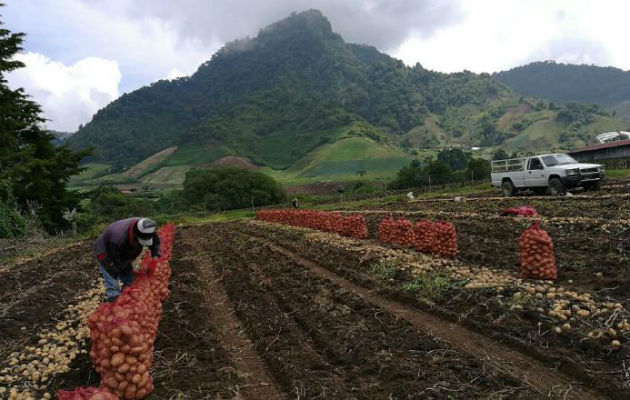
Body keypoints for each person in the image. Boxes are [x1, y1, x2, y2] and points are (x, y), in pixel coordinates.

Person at [95, 217, 161, 302]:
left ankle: (127, 293)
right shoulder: (119, 237)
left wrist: (155, 258)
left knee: (129, 281)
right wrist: (130, 266)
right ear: (136, 236)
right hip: (105, 251)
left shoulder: (147, 228)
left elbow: (155, 243)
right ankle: (112, 298)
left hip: (121, 249)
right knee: (112, 276)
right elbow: (119, 259)